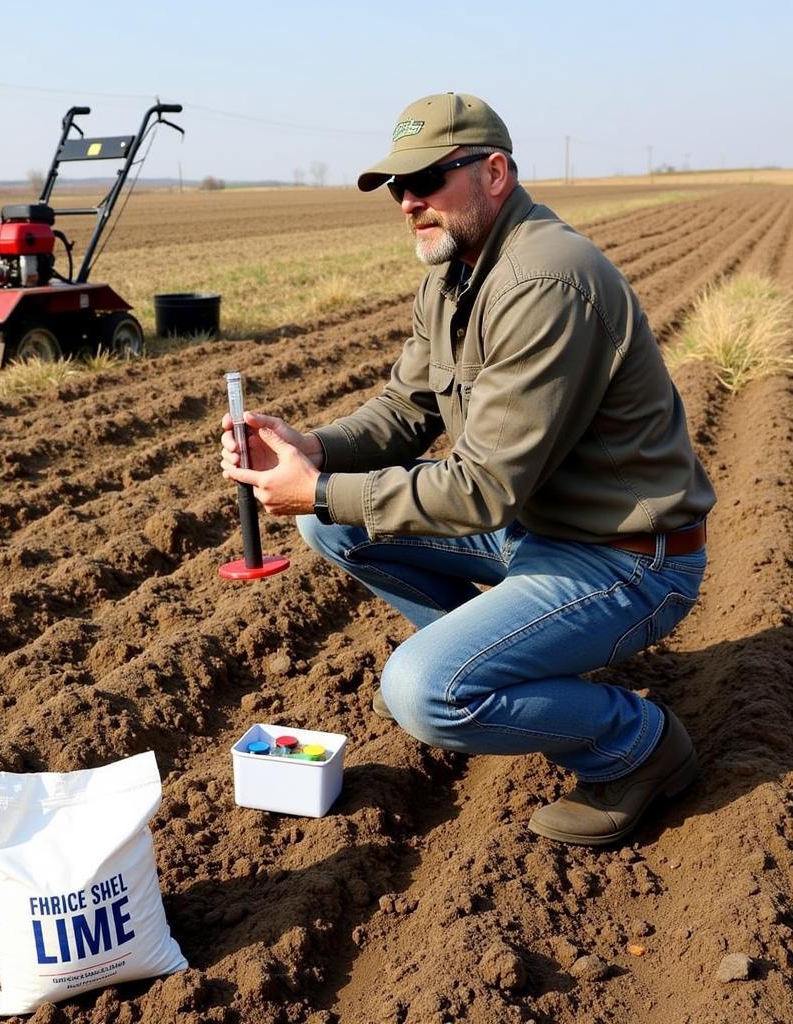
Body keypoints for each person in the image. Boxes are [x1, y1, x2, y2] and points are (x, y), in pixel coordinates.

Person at [220, 92, 715, 847]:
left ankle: (639, 746)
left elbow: (483, 489)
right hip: (541, 530)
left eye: (427, 179)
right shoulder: (455, 274)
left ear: (493, 171)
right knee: (331, 524)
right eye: (397, 187)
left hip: (626, 558)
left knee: (425, 693)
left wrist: (313, 489)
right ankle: (494, 662)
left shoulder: (544, 282)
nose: (409, 201)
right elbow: (405, 409)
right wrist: (313, 450)